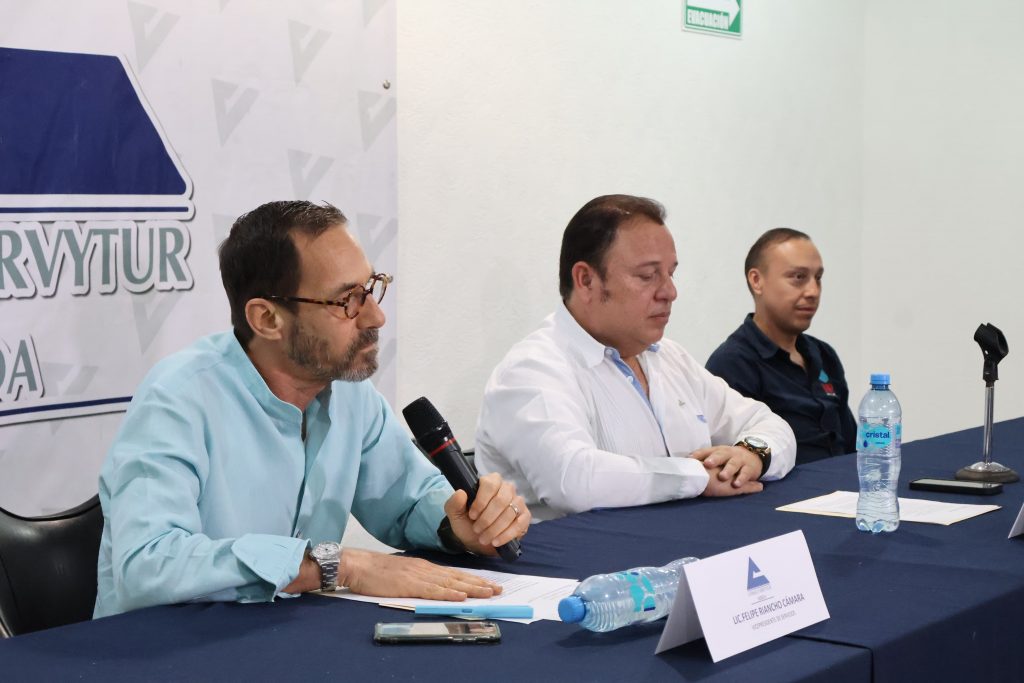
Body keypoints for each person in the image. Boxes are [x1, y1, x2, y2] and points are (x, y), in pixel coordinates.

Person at [94, 201, 530, 618]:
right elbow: (147, 565)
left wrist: (459, 524)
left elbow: (407, 502)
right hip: (163, 647)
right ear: (267, 319)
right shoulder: (178, 398)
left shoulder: (349, 392)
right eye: (347, 301)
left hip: (282, 635)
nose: (375, 317)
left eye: (371, 288)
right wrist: (338, 565)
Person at [474, 195, 795, 521]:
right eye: (647, 276)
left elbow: (770, 424)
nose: (669, 292)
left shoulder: (668, 357)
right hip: (584, 553)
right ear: (586, 280)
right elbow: (575, 480)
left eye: (670, 274)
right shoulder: (532, 369)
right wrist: (697, 476)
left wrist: (752, 454)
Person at [706, 228, 856, 463]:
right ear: (757, 281)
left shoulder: (823, 354)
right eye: (798, 277)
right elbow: (737, 464)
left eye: (818, 278)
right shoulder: (733, 363)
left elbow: (852, 447)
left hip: (843, 481)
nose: (813, 291)